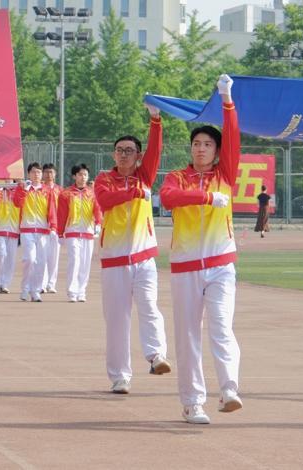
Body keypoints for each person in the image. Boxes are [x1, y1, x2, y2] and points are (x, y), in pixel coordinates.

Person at [160, 74, 244, 425]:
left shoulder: (226, 172)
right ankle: (193, 401)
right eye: (196, 143)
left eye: (208, 144)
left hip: (221, 264)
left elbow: (235, 138)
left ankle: (229, 389)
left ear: (217, 151)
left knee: (221, 327)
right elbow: (168, 199)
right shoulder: (177, 177)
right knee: (188, 335)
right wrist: (206, 196)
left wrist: (227, 100)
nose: (200, 148)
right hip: (185, 266)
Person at [93, 103, 171, 395]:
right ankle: (120, 376)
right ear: (114, 154)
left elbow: (156, 151)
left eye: (129, 151)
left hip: (143, 258)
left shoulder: (144, 176)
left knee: (150, 307)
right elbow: (105, 201)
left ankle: (156, 356)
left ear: (138, 156)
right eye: (119, 150)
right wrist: (134, 192)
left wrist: (155, 120)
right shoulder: (103, 179)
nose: (123, 154)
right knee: (117, 320)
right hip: (114, 260)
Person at [13, 163, 58, 302]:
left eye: (38, 172)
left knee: (41, 262)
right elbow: (17, 203)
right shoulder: (23, 189)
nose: (36, 175)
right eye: (33, 172)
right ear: (29, 174)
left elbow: (51, 209)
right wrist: (24, 190)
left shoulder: (47, 190)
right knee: (29, 259)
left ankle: (36, 290)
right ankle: (25, 288)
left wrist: (53, 227)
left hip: (43, 230)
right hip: (27, 229)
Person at [57, 164, 102, 303]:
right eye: (80, 174)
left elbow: (97, 209)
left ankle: (81, 291)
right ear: (74, 176)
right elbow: (61, 214)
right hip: (72, 231)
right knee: (74, 261)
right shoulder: (66, 193)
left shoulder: (92, 193)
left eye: (85, 175)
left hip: (87, 232)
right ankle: (72, 291)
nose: (83, 177)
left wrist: (98, 224)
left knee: (85, 263)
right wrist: (60, 233)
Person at [40, 163, 62, 294]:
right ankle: (42, 283)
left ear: (55, 174)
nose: (49, 175)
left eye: (51, 172)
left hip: (56, 227)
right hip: (42, 226)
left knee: (54, 257)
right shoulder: (40, 189)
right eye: (46, 172)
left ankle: (51, 283)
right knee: (42, 256)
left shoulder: (60, 190)